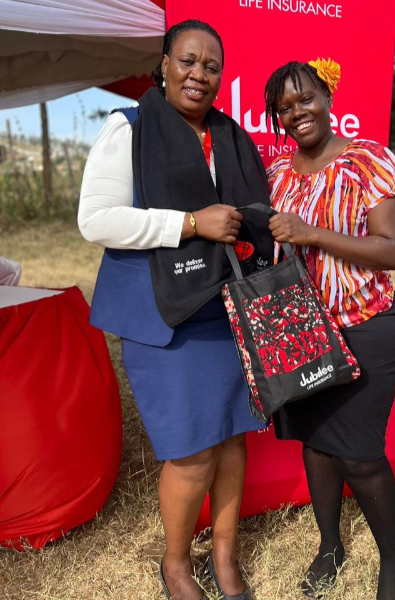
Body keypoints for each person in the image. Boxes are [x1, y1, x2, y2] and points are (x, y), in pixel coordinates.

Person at [79, 20, 272, 600]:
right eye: (188, 61)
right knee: (191, 451)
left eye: (212, 66)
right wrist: (189, 223)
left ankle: (225, 554)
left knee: (234, 436)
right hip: (163, 316)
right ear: (163, 64)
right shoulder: (129, 128)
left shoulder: (230, 136)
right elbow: (97, 220)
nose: (199, 75)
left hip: (227, 310)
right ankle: (176, 564)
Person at [264, 59, 395, 600]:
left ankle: (391, 560)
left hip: (364, 328)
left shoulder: (370, 161)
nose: (297, 112)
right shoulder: (278, 175)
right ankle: (330, 546)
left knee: (360, 454)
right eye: (284, 107)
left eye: (305, 99)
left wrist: (313, 233)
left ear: (327, 98)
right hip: (301, 334)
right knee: (319, 445)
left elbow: (394, 251)